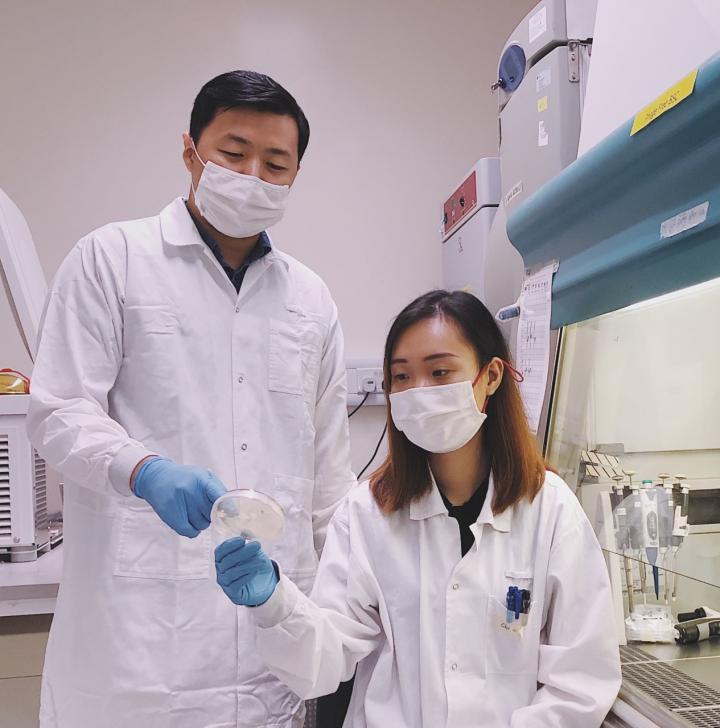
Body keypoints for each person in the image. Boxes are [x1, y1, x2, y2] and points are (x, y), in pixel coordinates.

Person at [27, 70, 355, 728]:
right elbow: (58, 413)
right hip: (137, 655)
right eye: (234, 154)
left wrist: (341, 612)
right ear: (191, 152)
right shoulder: (112, 260)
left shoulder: (310, 302)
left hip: (269, 656)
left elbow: (328, 483)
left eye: (276, 163)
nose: (253, 174)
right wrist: (143, 470)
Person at [215, 290, 623, 727]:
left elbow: (581, 681)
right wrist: (272, 603)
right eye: (402, 377)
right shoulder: (366, 513)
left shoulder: (550, 509)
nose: (418, 391)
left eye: (440, 371)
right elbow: (325, 661)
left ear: (491, 376)